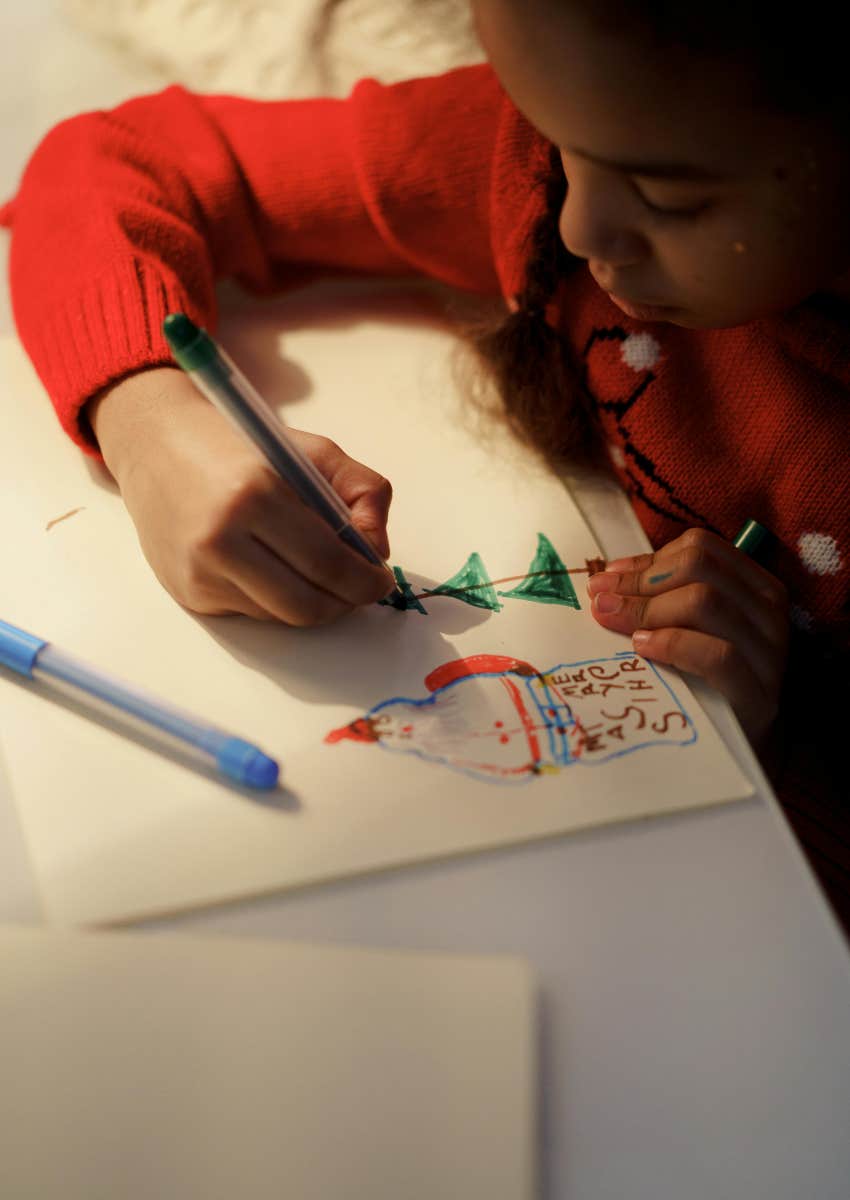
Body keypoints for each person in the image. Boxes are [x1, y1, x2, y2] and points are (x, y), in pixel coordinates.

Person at [2, 0, 848, 927]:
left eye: (670, 199)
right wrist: (151, 421)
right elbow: (107, 162)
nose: (574, 228)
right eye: (561, 144)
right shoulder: (531, 153)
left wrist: (765, 752)